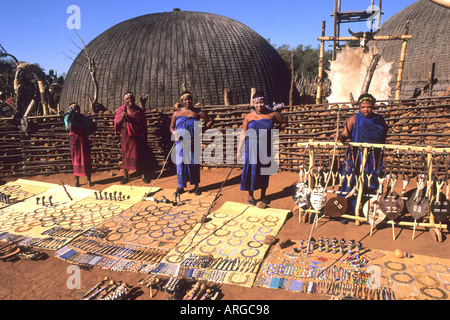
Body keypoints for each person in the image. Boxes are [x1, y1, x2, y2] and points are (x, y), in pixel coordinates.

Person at [336, 93, 388, 213]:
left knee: (371, 181)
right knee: (350, 180)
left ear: (373, 106)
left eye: (368, 107)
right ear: (359, 107)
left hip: (373, 158)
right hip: (355, 157)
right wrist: (340, 137)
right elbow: (345, 134)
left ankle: (367, 210)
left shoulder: (379, 121)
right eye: (363, 107)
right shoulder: (353, 119)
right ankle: (345, 209)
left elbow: (383, 137)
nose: (366, 109)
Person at [238, 92, 288, 206]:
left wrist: (275, 131)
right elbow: (243, 133)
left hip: (265, 148)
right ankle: (251, 196)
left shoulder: (273, 114)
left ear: (265, 102)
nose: (259, 105)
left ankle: (263, 195)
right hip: (251, 149)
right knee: (251, 171)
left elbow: (284, 122)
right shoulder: (249, 117)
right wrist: (239, 150)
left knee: (264, 171)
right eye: (256, 103)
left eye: (261, 102)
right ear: (253, 103)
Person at [170, 90, 214, 195]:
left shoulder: (198, 112)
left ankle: (196, 186)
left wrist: (202, 130)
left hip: (194, 142)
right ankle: (181, 186)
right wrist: (175, 133)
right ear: (181, 101)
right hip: (180, 143)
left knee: (194, 163)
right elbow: (171, 127)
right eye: (185, 99)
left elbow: (210, 120)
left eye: (189, 99)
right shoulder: (177, 113)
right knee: (181, 164)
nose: (188, 101)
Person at [114, 91, 152, 184]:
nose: (129, 100)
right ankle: (125, 177)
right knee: (125, 156)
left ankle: (143, 176)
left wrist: (145, 135)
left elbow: (144, 124)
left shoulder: (139, 111)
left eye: (131, 98)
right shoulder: (121, 110)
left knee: (141, 156)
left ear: (134, 99)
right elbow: (117, 124)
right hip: (126, 137)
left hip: (138, 137)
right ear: (124, 100)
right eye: (127, 99)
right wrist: (122, 118)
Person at [64, 103, 97, 187]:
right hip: (75, 144)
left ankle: (89, 180)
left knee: (87, 160)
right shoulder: (69, 120)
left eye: (78, 109)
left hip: (84, 142)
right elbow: (69, 128)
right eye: (74, 109)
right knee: (76, 162)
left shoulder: (83, 118)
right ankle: (77, 181)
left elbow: (92, 126)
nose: (77, 111)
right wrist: (71, 114)